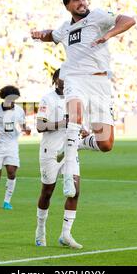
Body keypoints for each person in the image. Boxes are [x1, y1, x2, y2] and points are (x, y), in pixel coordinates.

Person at [31, 0, 135, 198]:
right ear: (68, 6)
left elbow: (128, 20)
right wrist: (41, 34)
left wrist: (108, 34)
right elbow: (53, 35)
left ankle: (75, 144)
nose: (82, 2)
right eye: (76, 0)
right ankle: (69, 175)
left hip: (99, 83)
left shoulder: (97, 16)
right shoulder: (65, 29)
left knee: (105, 143)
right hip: (75, 79)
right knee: (75, 117)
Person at [35, 69, 83, 249]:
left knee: (75, 191)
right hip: (51, 151)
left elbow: (78, 122)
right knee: (47, 192)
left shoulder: (76, 99)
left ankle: (66, 234)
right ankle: (40, 229)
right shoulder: (47, 99)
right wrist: (62, 124)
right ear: (55, 79)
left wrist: (82, 129)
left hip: (70, 151)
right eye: (63, 76)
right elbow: (40, 125)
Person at [0, 86, 31, 210]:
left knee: (11, 171)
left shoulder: (19, 110)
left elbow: (23, 124)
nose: (13, 101)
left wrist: (26, 129)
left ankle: (6, 201)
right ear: (5, 98)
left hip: (12, 144)